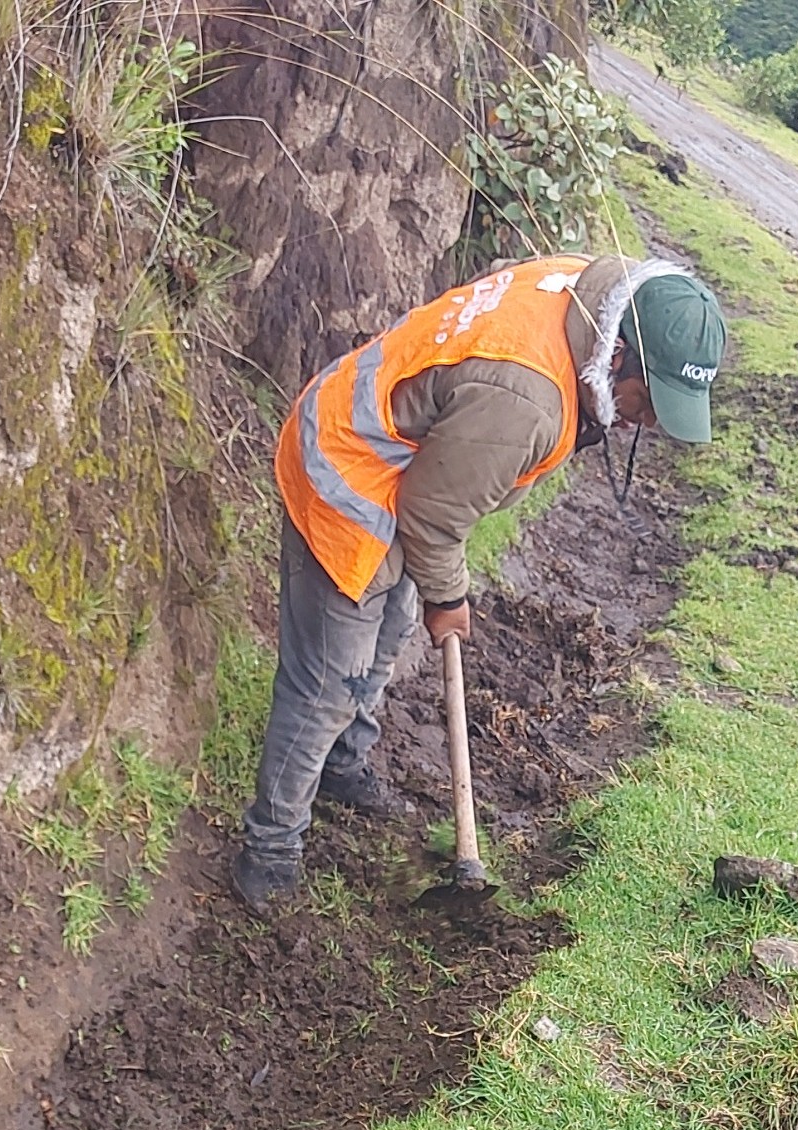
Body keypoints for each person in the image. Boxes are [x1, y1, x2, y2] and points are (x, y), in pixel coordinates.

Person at [236, 253, 727, 911]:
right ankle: (270, 851)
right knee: (328, 683)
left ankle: (342, 768)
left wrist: (431, 585)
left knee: (390, 633)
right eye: (650, 402)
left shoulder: (587, 293)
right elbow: (432, 515)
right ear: (617, 358)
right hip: (349, 472)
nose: (651, 423)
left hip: (414, 460)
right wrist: (449, 597)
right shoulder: (523, 401)